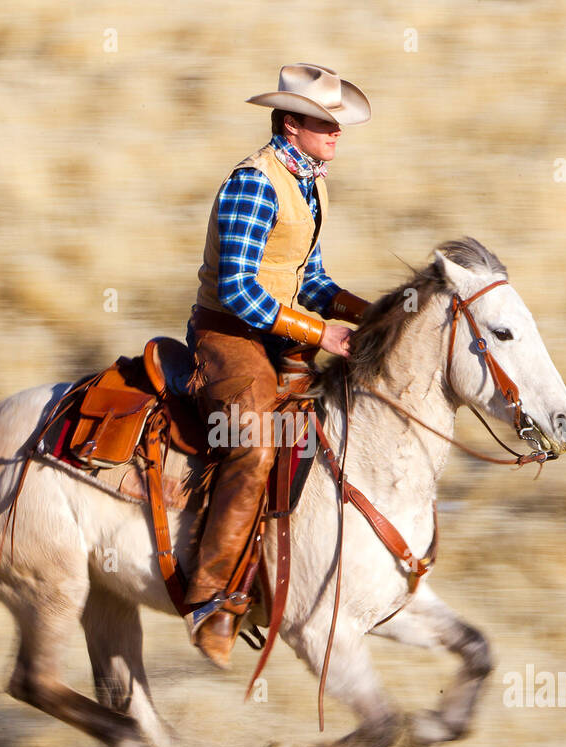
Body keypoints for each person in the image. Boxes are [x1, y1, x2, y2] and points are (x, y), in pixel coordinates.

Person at [183, 63, 373, 668]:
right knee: (255, 443)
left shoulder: (309, 181)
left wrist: (374, 313)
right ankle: (212, 600)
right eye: (324, 123)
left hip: (278, 335)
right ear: (292, 123)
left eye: (337, 123)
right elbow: (237, 289)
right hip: (229, 337)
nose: (336, 133)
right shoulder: (254, 183)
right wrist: (322, 332)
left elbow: (308, 278)